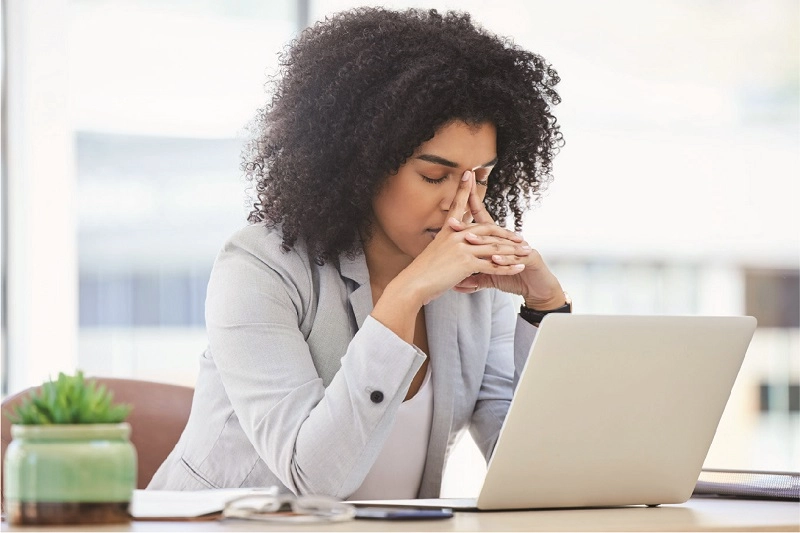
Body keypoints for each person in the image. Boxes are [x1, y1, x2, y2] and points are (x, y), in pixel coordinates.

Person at [148, 6, 568, 500]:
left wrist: (546, 309)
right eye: (434, 176)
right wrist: (405, 295)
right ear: (364, 162)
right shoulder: (260, 267)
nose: (462, 206)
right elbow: (313, 478)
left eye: (480, 177)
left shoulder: (473, 282)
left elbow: (533, 462)